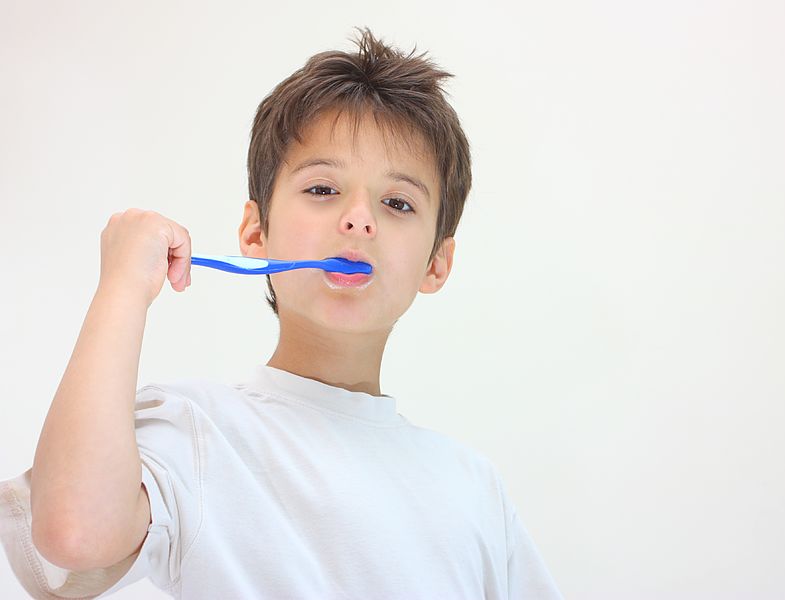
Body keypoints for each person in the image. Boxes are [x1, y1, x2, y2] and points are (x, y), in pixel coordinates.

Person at [0, 26, 564, 599]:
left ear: (436, 264)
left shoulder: (473, 489)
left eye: (397, 203)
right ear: (255, 232)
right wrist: (121, 287)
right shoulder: (197, 435)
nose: (359, 219)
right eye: (322, 190)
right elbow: (73, 533)